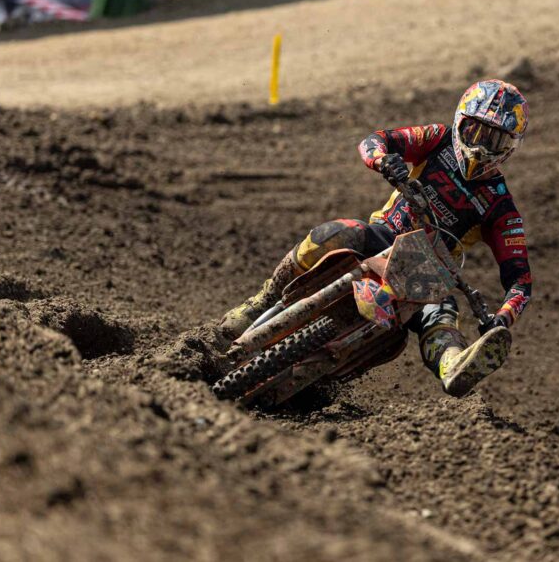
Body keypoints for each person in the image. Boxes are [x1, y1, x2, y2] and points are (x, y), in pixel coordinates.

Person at [219, 80, 532, 398]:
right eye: (475, 132)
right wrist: (382, 159)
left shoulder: (500, 206)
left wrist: (501, 319)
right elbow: (377, 140)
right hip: (383, 234)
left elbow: (520, 280)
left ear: (510, 146)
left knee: (442, 315)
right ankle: (262, 302)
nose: (480, 147)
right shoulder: (437, 139)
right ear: (460, 122)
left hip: (428, 272)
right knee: (335, 232)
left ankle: (453, 364)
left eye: (494, 140)